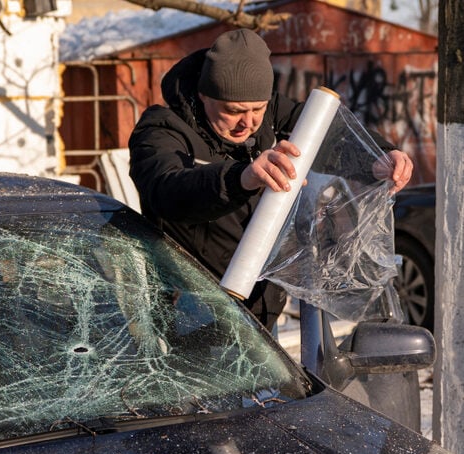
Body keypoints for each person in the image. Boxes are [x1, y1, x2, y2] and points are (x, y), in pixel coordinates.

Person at [128, 28, 414, 330]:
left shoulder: (272, 115)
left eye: (257, 109)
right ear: (204, 95)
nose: (247, 122)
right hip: (191, 309)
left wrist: (379, 156)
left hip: (263, 305)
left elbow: (329, 136)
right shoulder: (161, 129)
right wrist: (242, 177)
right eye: (233, 111)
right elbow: (166, 191)